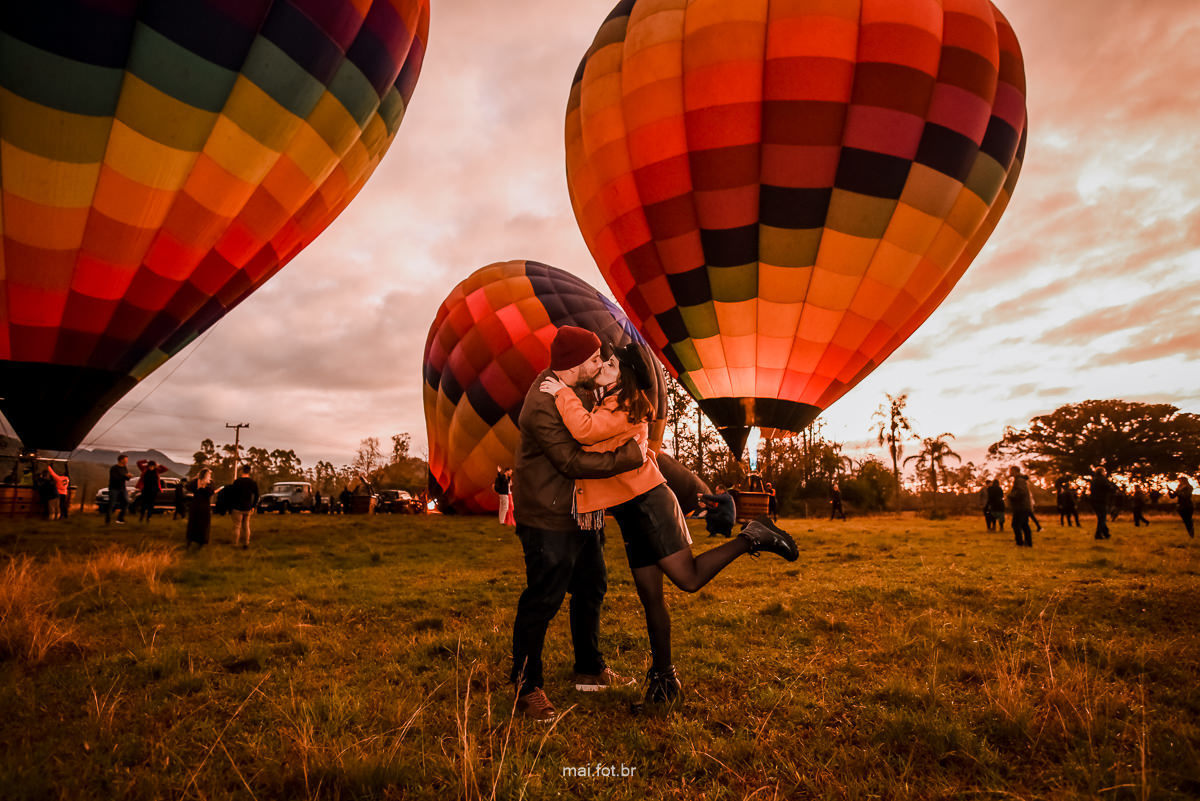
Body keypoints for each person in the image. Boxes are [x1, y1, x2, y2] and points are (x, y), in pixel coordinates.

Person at [543, 341, 798, 708]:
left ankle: (753, 535)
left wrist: (561, 392)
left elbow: (585, 432)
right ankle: (663, 681)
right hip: (631, 514)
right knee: (651, 600)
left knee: (689, 579)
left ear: (624, 374)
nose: (602, 367)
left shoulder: (627, 406)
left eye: (609, 364)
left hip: (650, 506)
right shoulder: (608, 401)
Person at [508, 326, 646, 723]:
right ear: (574, 364)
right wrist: (631, 457)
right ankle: (526, 685)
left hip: (584, 509)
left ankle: (588, 668)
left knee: (591, 587)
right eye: (594, 359)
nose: (600, 364)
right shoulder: (541, 403)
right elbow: (570, 462)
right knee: (544, 598)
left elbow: (610, 416)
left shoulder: (579, 389)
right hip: (549, 514)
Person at [226, 466, 259, 548]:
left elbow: (232, 495)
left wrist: (230, 506)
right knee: (246, 526)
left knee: (237, 526)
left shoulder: (237, 482)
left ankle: (235, 544)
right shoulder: (252, 482)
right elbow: (257, 495)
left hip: (237, 507)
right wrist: (253, 506)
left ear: (242, 471)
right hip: (247, 507)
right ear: (249, 472)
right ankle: (246, 543)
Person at [185, 469, 215, 550]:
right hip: (200, 505)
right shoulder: (199, 482)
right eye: (209, 474)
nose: (210, 476)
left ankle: (198, 542)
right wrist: (199, 482)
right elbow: (188, 486)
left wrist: (202, 486)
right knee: (195, 523)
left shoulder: (209, 483)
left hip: (199, 505)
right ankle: (194, 541)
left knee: (198, 524)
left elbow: (210, 492)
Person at [1007, 466, 1034, 547]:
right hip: (1023, 506)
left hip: (1021, 506)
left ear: (1015, 471)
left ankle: (1020, 542)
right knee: (1024, 524)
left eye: (1010, 471)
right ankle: (1028, 542)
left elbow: (1021, 492)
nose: (1010, 472)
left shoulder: (1019, 480)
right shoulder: (1020, 480)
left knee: (1016, 524)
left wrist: (1011, 496)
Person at [106, 454, 132, 525]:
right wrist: (124, 476)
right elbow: (115, 478)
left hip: (122, 488)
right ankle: (108, 520)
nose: (127, 461)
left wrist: (128, 477)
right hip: (114, 488)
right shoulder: (114, 468)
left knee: (126, 502)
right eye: (126, 460)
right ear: (121, 460)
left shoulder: (124, 468)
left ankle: (120, 519)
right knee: (112, 504)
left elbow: (126, 478)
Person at [1089, 467, 1113, 540]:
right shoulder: (1103, 480)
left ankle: (1106, 533)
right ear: (1102, 472)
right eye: (1104, 471)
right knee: (1102, 518)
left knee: (1101, 518)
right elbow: (1109, 488)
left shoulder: (1094, 480)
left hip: (1094, 501)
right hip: (1102, 501)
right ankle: (1098, 534)